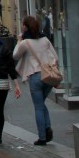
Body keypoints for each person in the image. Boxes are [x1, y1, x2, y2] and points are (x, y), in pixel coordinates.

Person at [13, 15, 61, 145]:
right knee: (41, 103)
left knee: (38, 107)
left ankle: (42, 136)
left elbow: (15, 55)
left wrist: (18, 41)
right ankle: (47, 128)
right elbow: (55, 57)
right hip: (48, 76)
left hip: (35, 76)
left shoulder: (25, 43)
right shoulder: (45, 40)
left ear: (25, 27)